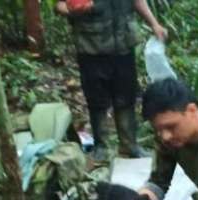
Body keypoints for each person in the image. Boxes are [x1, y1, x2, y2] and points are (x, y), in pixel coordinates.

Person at [55, 0, 167, 161]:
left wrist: (154, 24)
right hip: (91, 46)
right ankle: (102, 147)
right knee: (96, 100)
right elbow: (60, 5)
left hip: (123, 45)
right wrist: (72, 9)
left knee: (126, 97)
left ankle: (129, 145)